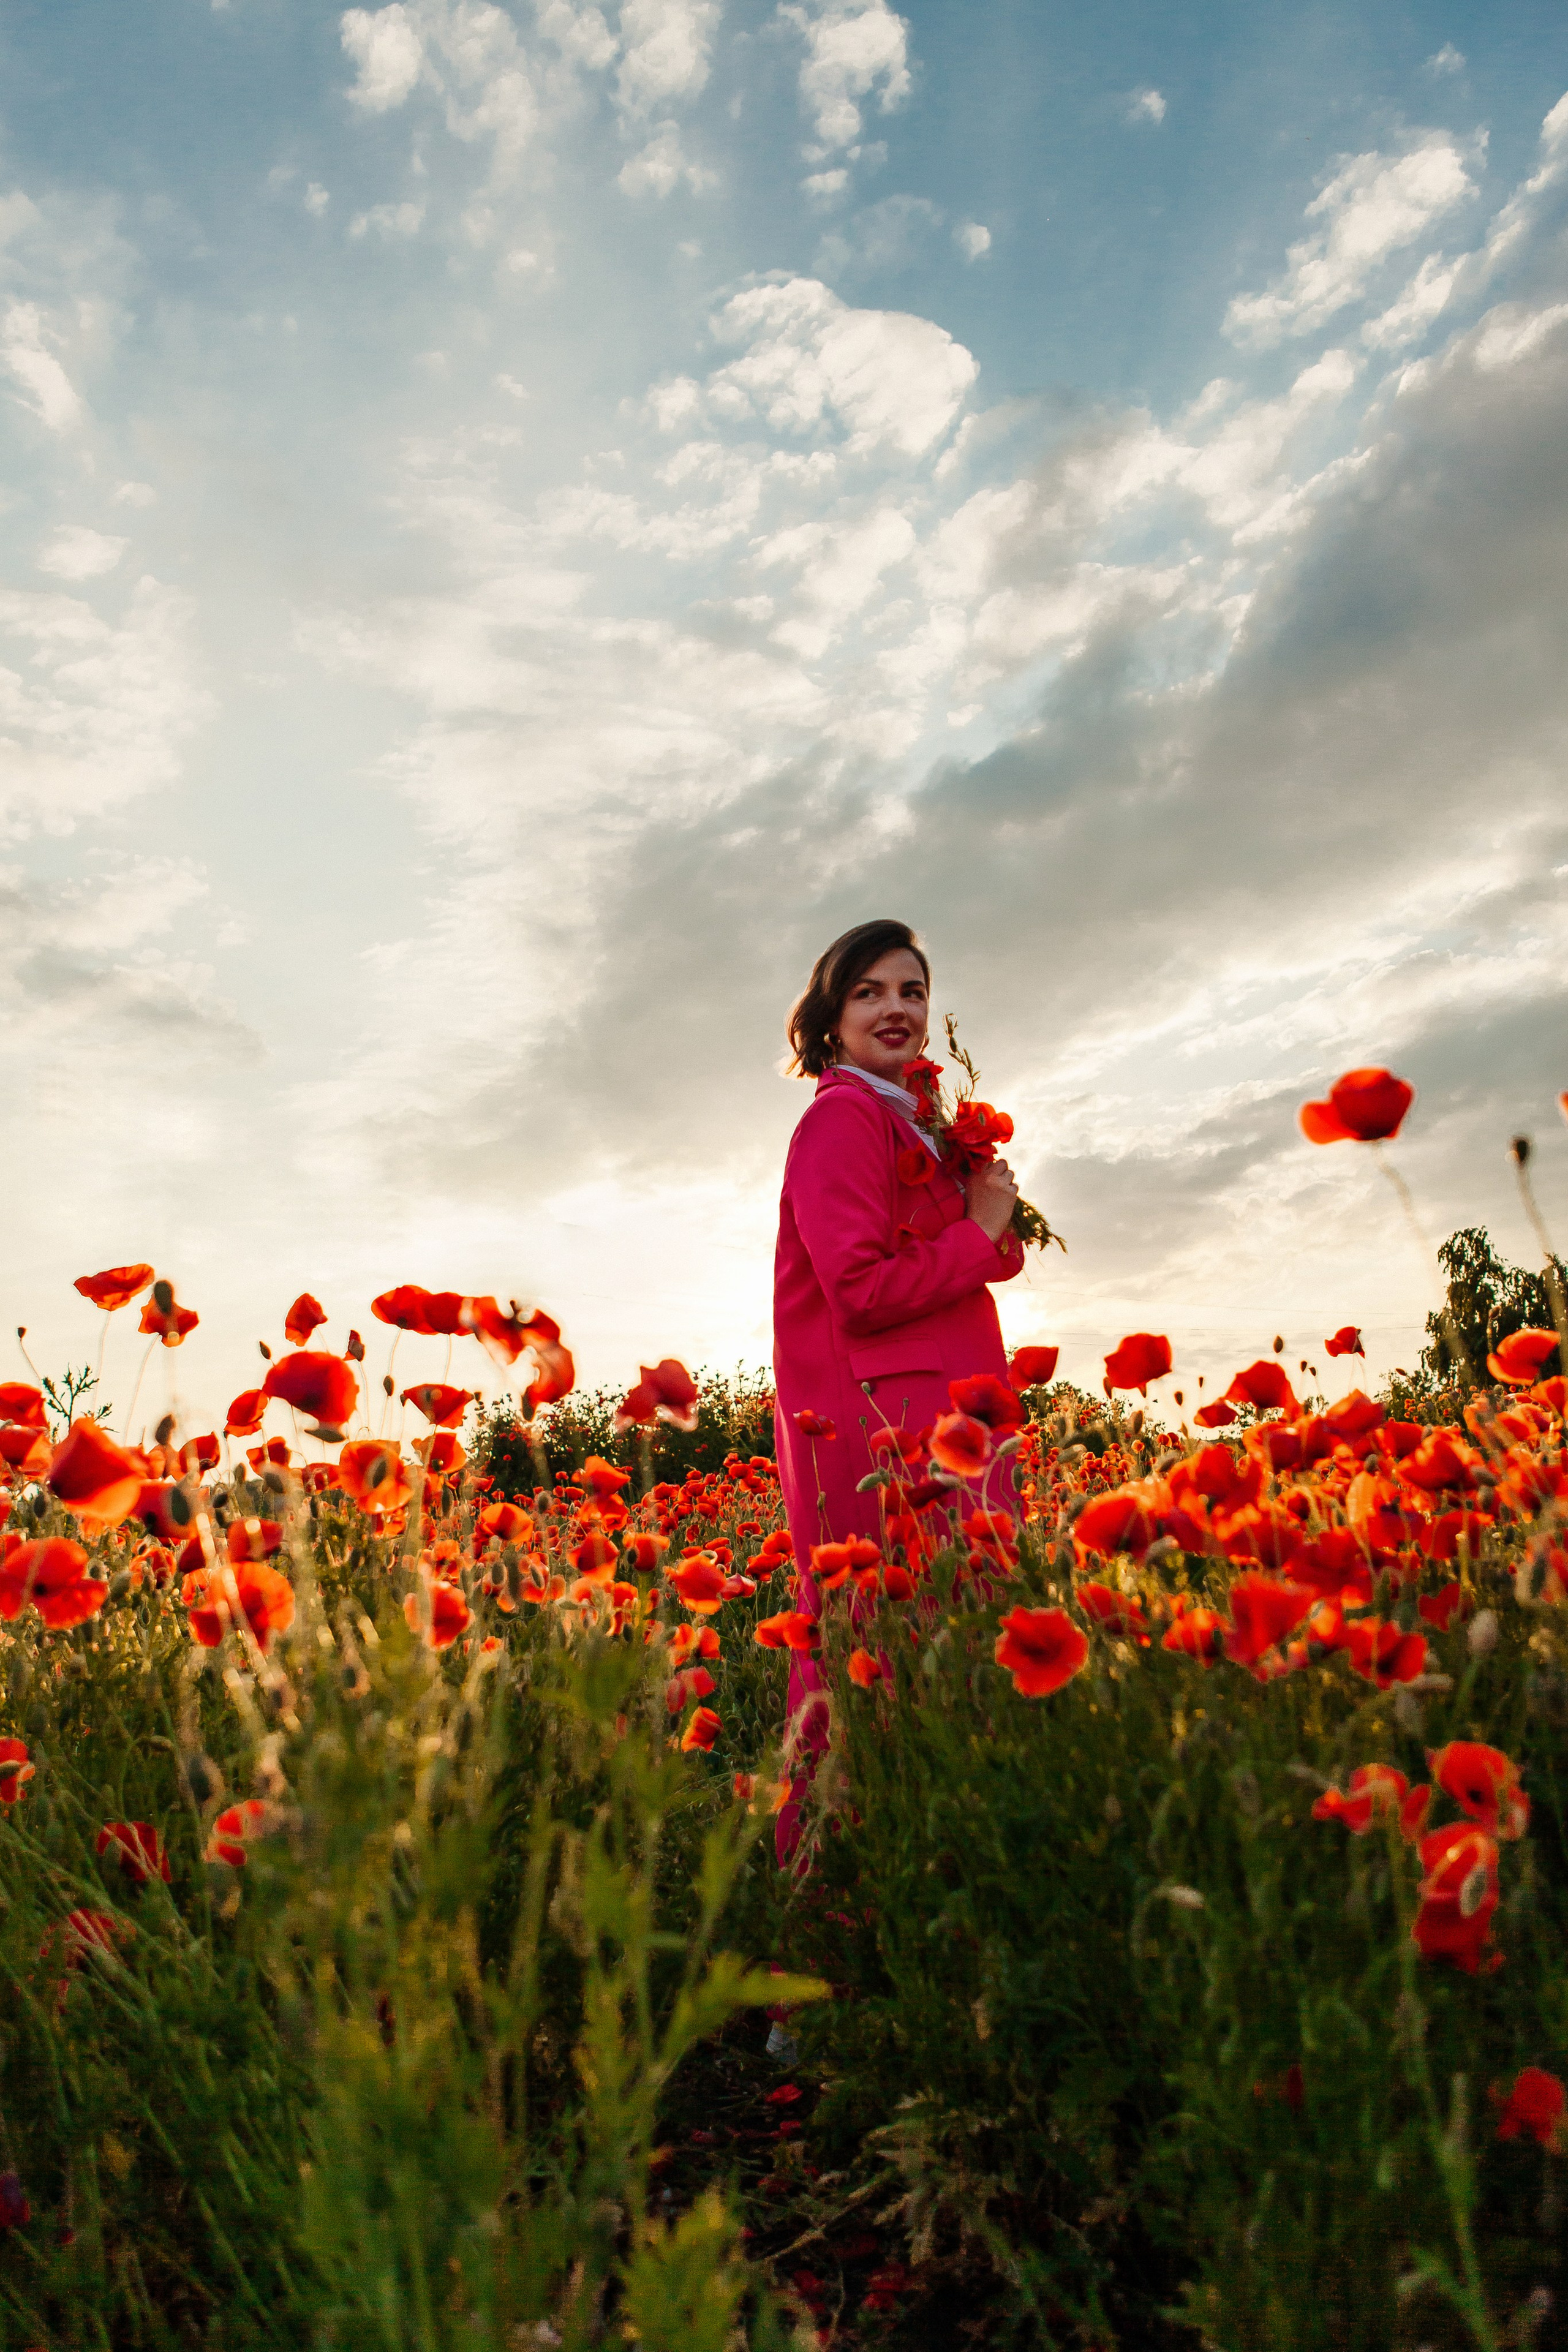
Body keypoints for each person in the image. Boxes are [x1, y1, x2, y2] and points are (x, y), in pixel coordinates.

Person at [769, 918, 1026, 1867]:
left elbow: (987, 1259)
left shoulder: (903, 1117)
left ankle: (927, 1911)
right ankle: (824, 1942)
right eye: (869, 991)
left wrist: (982, 1205)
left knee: (941, 1658)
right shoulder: (841, 1119)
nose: (896, 1008)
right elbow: (862, 1290)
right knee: (860, 1656)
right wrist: (980, 1223)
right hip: (884, 1431)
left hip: (941, 1420)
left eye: (912, 992)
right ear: (831, 1019)